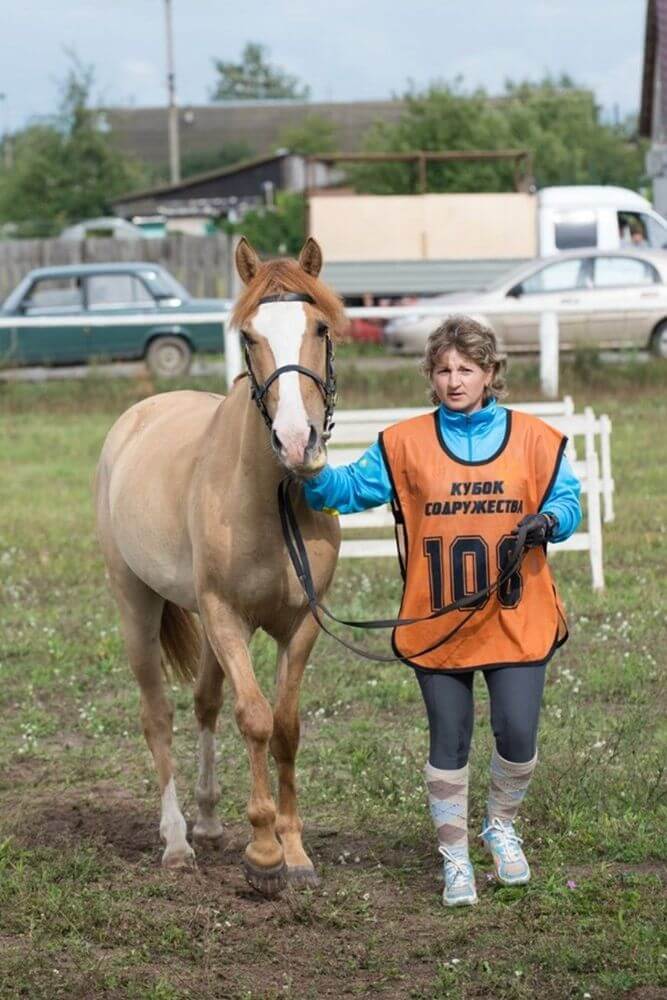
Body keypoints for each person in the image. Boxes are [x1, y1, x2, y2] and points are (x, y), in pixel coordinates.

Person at [303, 316, 582, 907]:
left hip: (516, 615)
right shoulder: (404, 443)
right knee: (448, 739)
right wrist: (307, 463)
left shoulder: (534, 437)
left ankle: (500, 827)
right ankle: (456, 858)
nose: (455, 380)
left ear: (489, 373)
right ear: (430, 376)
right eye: (444, 370)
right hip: (439, 621)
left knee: (517, 734)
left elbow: (567, 497)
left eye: (467, 369)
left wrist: (550, 520)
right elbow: (345, 490)